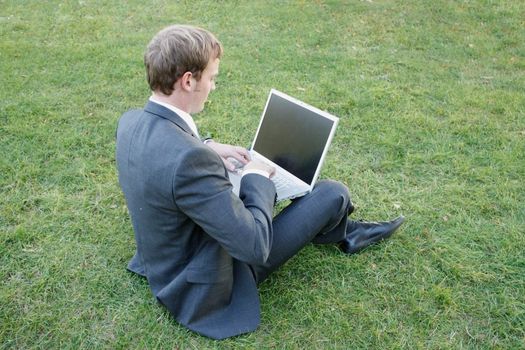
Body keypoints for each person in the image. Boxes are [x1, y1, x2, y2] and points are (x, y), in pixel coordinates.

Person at [116, 24, 404, 340]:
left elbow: (170, 151)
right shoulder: (190, 161)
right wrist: (256, 179)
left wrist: (208, 146)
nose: (212, 86)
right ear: (188, 80)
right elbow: (255, 246)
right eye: (211, 78)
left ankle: (341, 231)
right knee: (332, 193)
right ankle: (345, 233)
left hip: (164, 259)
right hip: (205, 281)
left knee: (275, 186)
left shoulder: (131, 122)